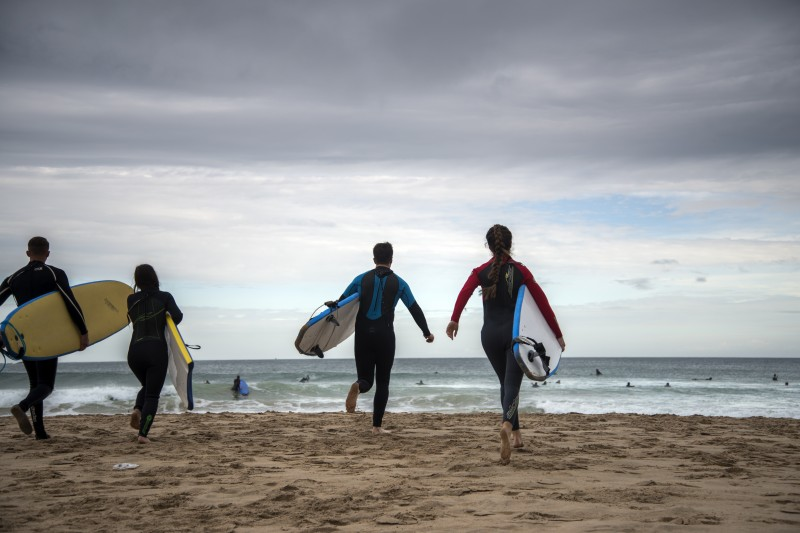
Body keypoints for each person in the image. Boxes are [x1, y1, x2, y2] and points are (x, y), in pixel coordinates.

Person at [446, 224, 564, 464]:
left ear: (488, 246)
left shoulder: (480, 271)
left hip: (488, 336)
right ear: (510, 244)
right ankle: (507, 426)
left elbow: (464, 293)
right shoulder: (520, 271)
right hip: (515, 337)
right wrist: (557, 335)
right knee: (512, 384)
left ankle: (517, 436)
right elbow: (543, 303)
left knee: (505, 383)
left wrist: (454, 319)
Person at [338, 242, 434, 434]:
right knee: (383, 382)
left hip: (363, 334)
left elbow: (341, 302)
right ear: (391, 260)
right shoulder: (400, 283)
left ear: (374, 259)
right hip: (385, 335)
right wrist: (426, 332)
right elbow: (414, 308)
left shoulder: (360, 279)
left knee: (366, 379)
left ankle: (358, 386)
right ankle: (376, 427)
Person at [0, 237, 89, 440]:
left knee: (35, 385)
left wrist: (2, 334)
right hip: (48, 336)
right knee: (46, 385)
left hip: (23, 337)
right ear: (47, 253)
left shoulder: (13, 278)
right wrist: (83, 331)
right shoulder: (54, 273)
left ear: (27, 253)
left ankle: (39, 432)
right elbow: (70, 302)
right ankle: (22, 407)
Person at [126, 264, 182, 444]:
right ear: (154, 277)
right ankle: (143, 434)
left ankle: (137, 409)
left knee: (147, 387)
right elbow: (178, 316)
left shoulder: (130, 299)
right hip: (155, 350)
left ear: (137, 280)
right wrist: (166, 314)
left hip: (134, 352)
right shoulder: (165, 297)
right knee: (152, 395)